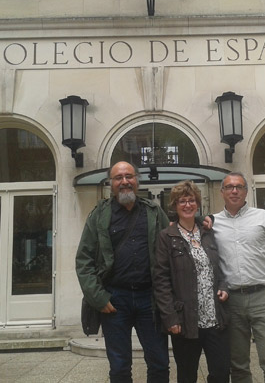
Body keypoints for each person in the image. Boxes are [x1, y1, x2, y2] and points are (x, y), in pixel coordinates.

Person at [75, 161, 170, 383]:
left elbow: (173, 247)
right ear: (111, 184)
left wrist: (201, 221)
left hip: (151, 300)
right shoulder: (99, 215)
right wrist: (98, 297)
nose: (124, 181)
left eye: (129, 176)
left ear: (137, 180)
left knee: (159, 363)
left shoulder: (154, 212)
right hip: (114, 300)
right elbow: (84, 260)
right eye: (118, 178)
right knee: (119, 367)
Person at [213, 172, 265, 383]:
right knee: (237, 365)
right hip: (232, 302)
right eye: (229, 187)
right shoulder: (213, 223)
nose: (234, 190)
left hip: (264, 298)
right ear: (222, 192)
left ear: (246, 191)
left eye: (239, 186)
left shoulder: (263, 217)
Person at [153, 180, 230, 383]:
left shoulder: (209, 233)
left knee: (221, 373)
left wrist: (223, 286)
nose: (187, 205)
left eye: (191, 200)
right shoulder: (166, 237)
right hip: (185, 322)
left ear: (197, 203)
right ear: (175, 206)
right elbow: (161, 280)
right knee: (187, 376)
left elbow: (219, 266)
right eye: (182, 201)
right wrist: (170, 318)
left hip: (215, 319)